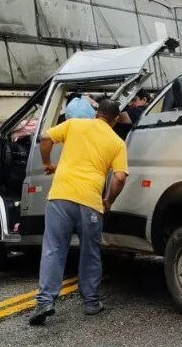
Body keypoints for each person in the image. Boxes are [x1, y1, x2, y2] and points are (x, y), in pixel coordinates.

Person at [29, 98, 128, 325]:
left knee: (53, 248)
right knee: (90, 251)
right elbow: (120, 177)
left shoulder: (75, 125)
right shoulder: (117, 142)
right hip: (91, 202)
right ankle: (91, 303)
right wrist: (109, 200)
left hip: (61, 196)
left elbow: (45, 138)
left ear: (96, 114)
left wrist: (47, 163)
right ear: (113, 120)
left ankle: (45, 302)